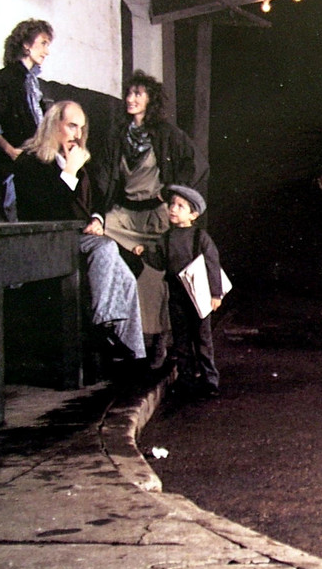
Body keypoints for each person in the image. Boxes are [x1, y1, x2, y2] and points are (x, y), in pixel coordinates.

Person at [13, 100, 145, 363]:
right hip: (48, 240)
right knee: (106, 247)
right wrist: (69, 171)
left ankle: (134, 357)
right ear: (54, 125)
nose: (78, 134)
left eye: (82, 128)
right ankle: (102, 326)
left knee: (128, 279)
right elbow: (46, 210)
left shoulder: (78, 159)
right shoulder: (30, 162)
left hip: (81, 237)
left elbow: (97, 200)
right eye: (72, 126)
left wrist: (97, 218)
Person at [97, 71, 197, 365]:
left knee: (155, 275)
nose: (131, 99)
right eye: (129, 93)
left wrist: (173, 196)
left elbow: (193, 164)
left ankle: (158, 339)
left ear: (150, 99)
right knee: (98, 238)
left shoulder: (167, 134)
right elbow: (104, 175)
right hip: (125, 215)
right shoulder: (118, 134)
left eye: (138, 94)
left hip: (155, 215)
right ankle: (118, 333)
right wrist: (98, 213)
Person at [134, 185, 221, 397]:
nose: (173, 209)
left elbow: (212, 264)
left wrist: (216, 294)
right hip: (177, 295)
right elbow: (160, 263)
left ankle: (210, 380)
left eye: (181, 206)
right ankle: (186, 379)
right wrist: (144, 254)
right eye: (172, 204)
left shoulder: (199, 237)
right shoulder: (166, 238)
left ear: (193, 215)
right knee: (181, 340)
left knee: (202, 339)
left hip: (199, 295)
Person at [0, 18, 53, 221]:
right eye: (43, 43)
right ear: (26, 45)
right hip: (12, 168)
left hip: (34, 165)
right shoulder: (4, 79)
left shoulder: (32, 83)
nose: (47, 51)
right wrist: (10, 150)